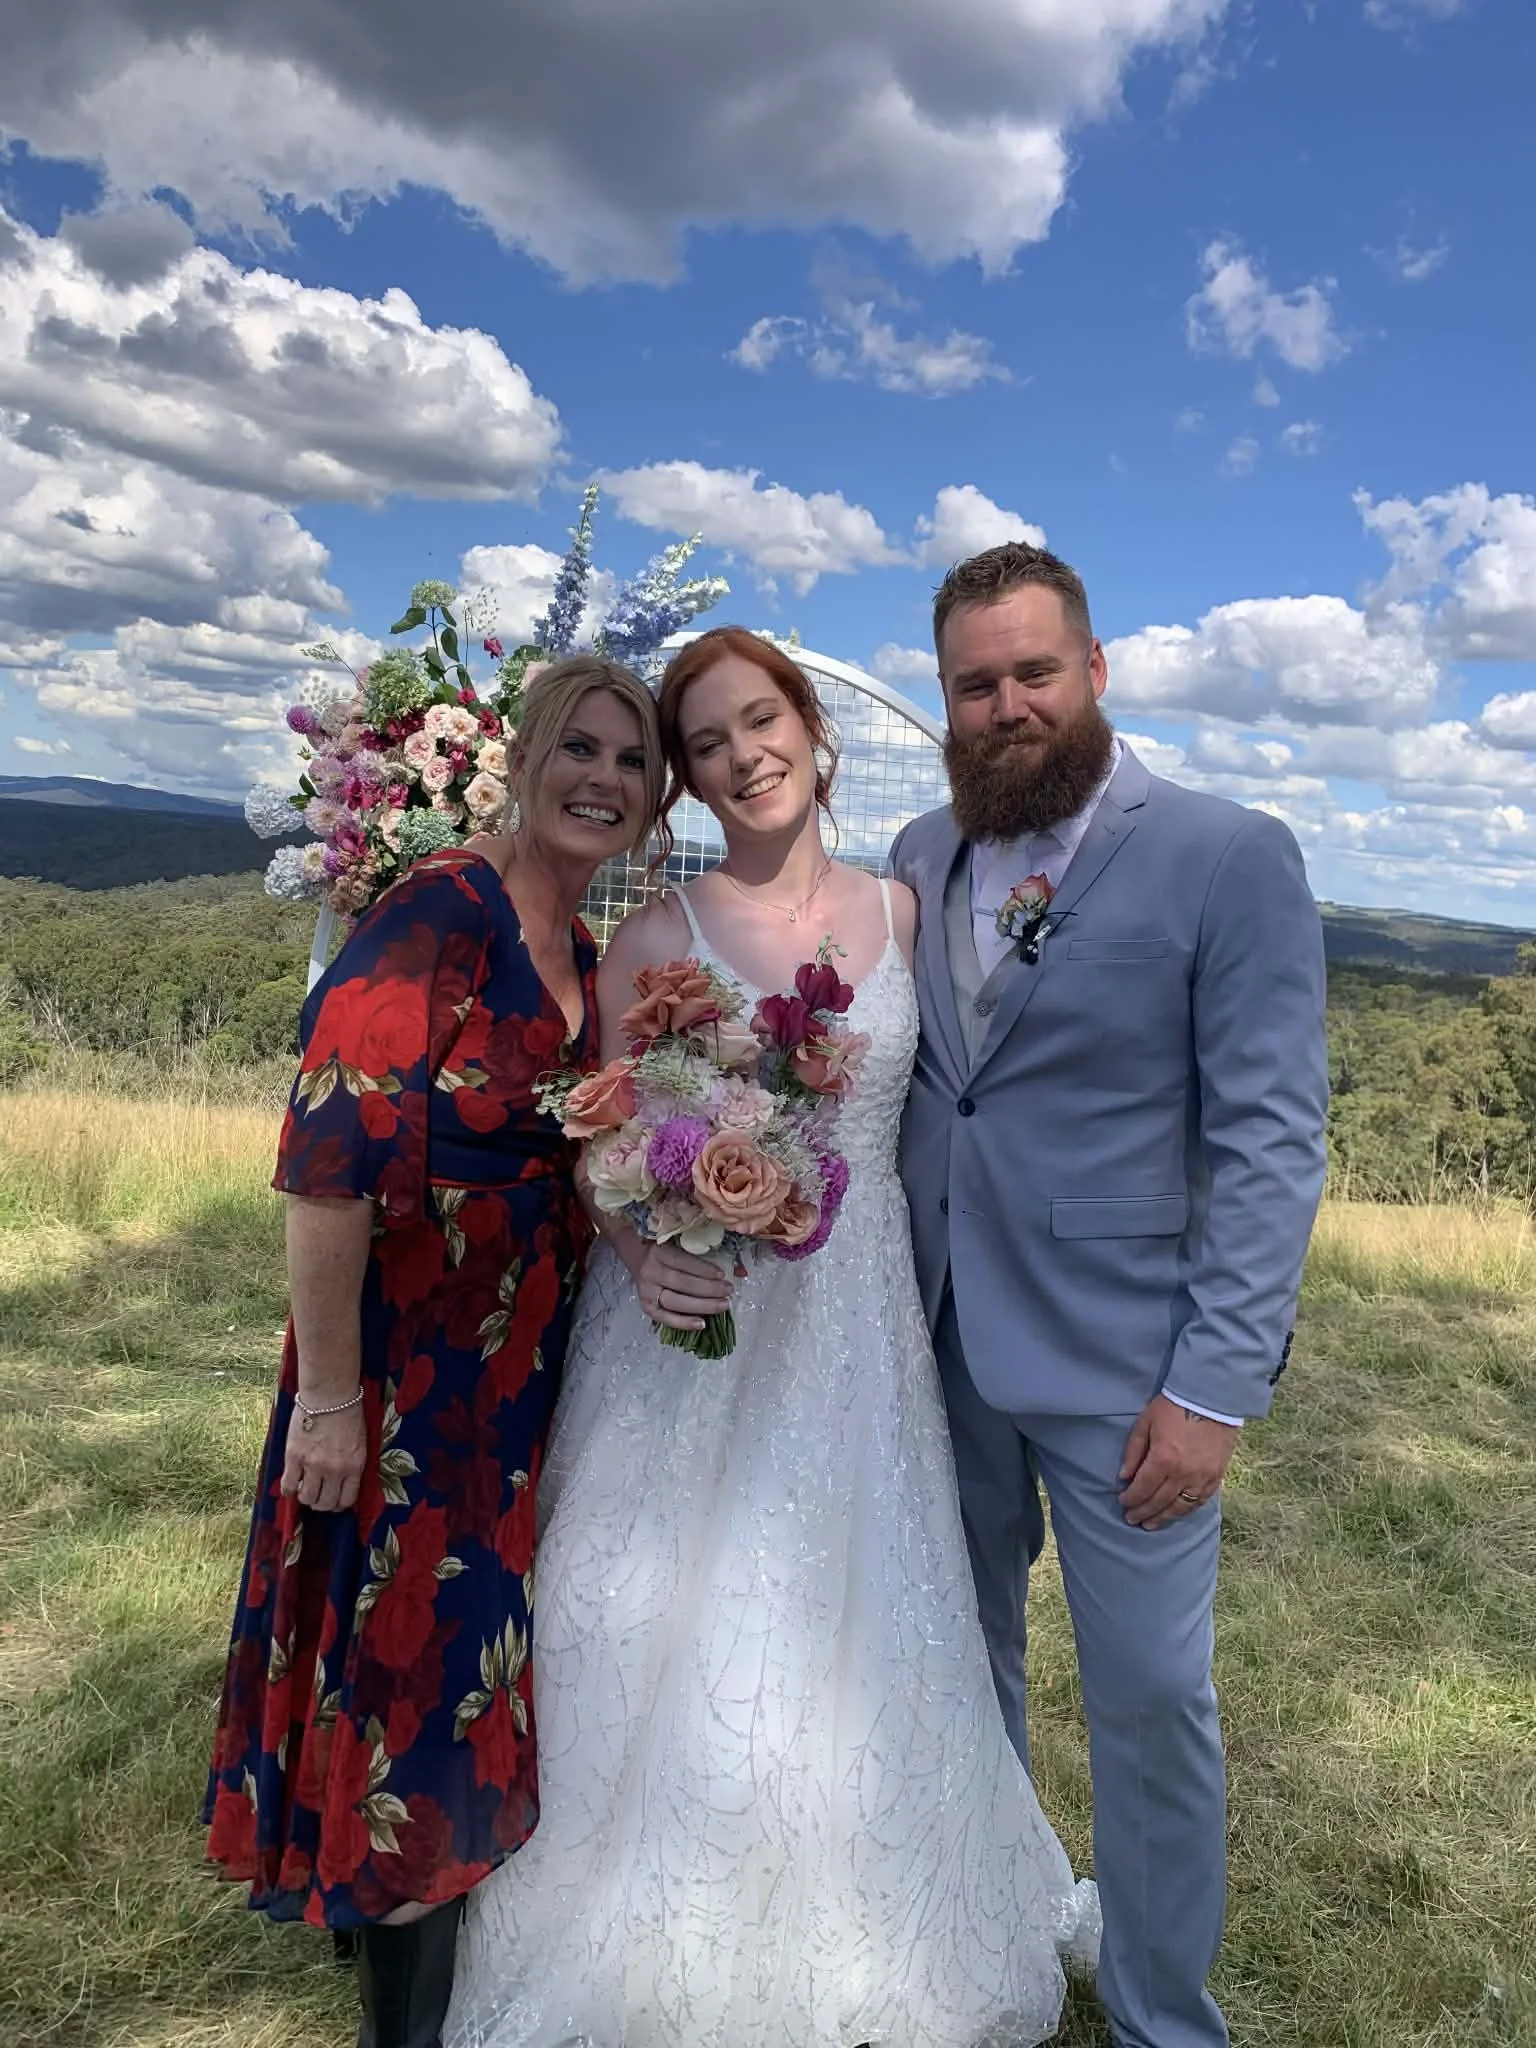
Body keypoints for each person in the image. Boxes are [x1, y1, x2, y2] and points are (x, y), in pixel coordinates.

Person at [445, 625, 1097, 2048]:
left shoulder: (905, 913)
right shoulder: (657, 943)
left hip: (858, 1344)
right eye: (707, 744)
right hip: (691, 1332)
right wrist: (643, 1245)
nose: (744, 755)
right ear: (688, 784)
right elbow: (598, 1139)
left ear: (811, 727)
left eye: (761, 721)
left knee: (864, 1624)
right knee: (646, 1615)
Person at [892, 542, 1329, 2048]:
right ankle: (993, 1947)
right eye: (972, 683)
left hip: (1130, 1374)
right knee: (958, 1671)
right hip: (936, 1342)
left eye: (1032, 671)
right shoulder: (913, 853)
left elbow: (1272, 1138)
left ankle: (1161, 2016)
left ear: (1095, 669)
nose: (1004, 705)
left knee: (1150, 1706)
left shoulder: (1227, 852)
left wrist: (1214, 1388)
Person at [204, 656, 665, 2048]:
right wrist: (332, 1405)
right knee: (414, 1683)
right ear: (523, 760)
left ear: (654, 805)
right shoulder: (437, 913)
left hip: (515, 1390)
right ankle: (403, 2021)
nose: (602, 777)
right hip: (401, 1382)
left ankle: (379, 1927)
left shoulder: (584, 954)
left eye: (632, 762)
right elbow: (328, 1167)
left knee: (427, 1677)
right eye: (577, 747)